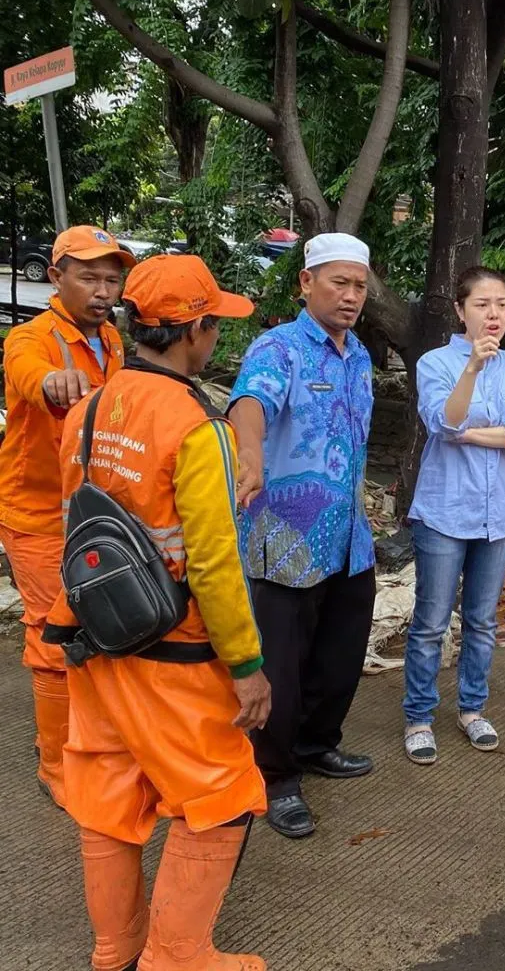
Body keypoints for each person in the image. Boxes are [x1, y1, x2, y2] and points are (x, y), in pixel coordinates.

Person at [41, 253, 271, 971]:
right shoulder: (199, 428)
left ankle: (116, 950)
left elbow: (76, 523)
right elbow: (212, 562)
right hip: (179, 654)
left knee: (108, 801)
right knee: (224, 797)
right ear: (194, 331)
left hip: (99, 639)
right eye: (214, 325)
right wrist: (248, 666)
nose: (216, 339)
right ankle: (178, 957)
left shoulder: (89, 409)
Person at [229, 232, 377, 839]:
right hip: (285, 541)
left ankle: (318, 745)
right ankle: (276, 774)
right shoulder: (279, 347)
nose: (350, 296)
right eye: (338, 283)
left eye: (359, 286)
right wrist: (249, 453)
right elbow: (249, 401)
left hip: (347, 537)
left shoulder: (360, 353)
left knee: (340, 657)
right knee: (281, 672)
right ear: (306, 283)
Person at [0, 225, 134, 807]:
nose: (103, 290)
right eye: (89, 277)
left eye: (112, 278)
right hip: (36, 516)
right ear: (56, 277)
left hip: (95, 514)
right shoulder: (31, 340)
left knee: (99, 630)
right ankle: (55, 766)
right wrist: (52, 382)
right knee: (53, 638)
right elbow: (31, 376)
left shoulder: (113, 340)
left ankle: (86, 740)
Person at [402, 267, 505, 764]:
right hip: (444, 511)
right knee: (431, 622)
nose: (494, 315)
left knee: (482, 622)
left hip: (496, 516)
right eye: (482, 304)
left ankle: (472, 709)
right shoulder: (435, 363)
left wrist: (473, 435)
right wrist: (472, 371)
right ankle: (419, 716)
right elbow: (444, 420)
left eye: (501, 304)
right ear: (461, 310)